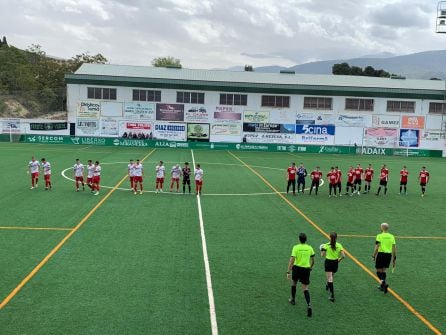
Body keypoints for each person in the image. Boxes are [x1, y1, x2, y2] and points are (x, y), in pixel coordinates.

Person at [287, 233, 315, 317]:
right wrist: (310, 267)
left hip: (297, 268)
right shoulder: (310, 248)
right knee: (305, 288)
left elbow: (291, 260)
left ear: (299, 239)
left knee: (294, 283)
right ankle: (309, 305)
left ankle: (293, 299)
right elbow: (313, 260)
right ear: (306, 239)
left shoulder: (296, 247)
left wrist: (288, 271)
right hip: (306, 269)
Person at [320, 232, 345, 302]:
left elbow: (322, 255)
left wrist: (321, 250)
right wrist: (339, 260)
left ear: (330, 237)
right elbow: (343, 256)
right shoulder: (339, 245)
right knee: (331, 276)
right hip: (335, 263)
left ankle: (332, 295)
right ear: (336, 238)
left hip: (328, 262)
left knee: (329, 278)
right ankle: (328, 284)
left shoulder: (326, 245)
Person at [372, 223, 396, 294]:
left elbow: (377, 247)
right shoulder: (392, 236)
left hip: (381, 254)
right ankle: (382, 286)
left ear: (382, 228)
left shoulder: (379, 236)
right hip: (388, 255)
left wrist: (374, 255)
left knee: (378, 270)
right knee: (383, 270)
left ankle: (383, 284)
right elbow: (394, 248)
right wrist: (394, 257)